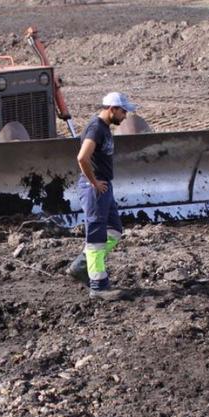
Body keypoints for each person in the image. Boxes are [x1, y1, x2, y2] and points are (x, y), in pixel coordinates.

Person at [66, 92, 135, 300]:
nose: (125, 116)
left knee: (114, 231)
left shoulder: (104, 128)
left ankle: (81, 265)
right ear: (112, 108)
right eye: (123, 111)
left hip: (104, 188)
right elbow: (82, 157)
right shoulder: (96, 128)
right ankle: (98, 286)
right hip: (94, 189)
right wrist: (94, 182)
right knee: (96, 236)